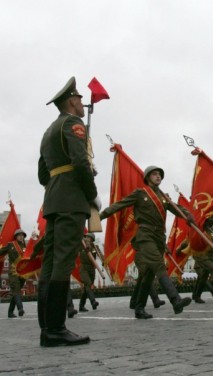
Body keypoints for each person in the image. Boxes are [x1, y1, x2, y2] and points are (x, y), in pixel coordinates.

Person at [37, 77, 100, 347]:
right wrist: (92, 193)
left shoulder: (49, 131)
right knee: (63, 261)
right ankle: (56, 329)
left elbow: (42, 174)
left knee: (50, 263)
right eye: (80, 100)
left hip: (52, 200)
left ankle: (47, 327)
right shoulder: (73, 124)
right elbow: (79, 162)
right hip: (72, 200)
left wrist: (61, 179)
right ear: (72, 101)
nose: (83, 104)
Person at [99, 166, 192, 319]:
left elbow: (177, 209)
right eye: (154, 174)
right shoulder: (140, 193)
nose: (158, 176)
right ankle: (176, 300)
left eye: (159, 174)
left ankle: (139, 308)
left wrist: (188, 215)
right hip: (145, 235)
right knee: (158, 264)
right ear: (147, 177)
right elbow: (120, 204)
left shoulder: (163, 197)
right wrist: (101, 216)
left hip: (159, 237)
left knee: (148, 274)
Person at [0, 229, 28, 318]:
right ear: (15, 237)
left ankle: (10, 312)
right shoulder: (11, 245)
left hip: (23, 273)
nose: (21, 236)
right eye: (19, 235)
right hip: (13, 272)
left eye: (22, 235)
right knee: (15, 288)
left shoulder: (25, 246)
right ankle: (20, 308)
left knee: (16, 291)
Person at [78, 233, 100, 312]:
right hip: (84, 268)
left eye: (89, 238)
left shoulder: (93, 247)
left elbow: (94, 255)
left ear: (92, 240)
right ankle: (93, 301)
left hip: (91, 268)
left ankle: (81, 306)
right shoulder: (81, 244)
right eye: (86, 237)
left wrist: (93, 249)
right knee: (88, 283)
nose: (87, 239)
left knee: (87, 287)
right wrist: (85, 248)